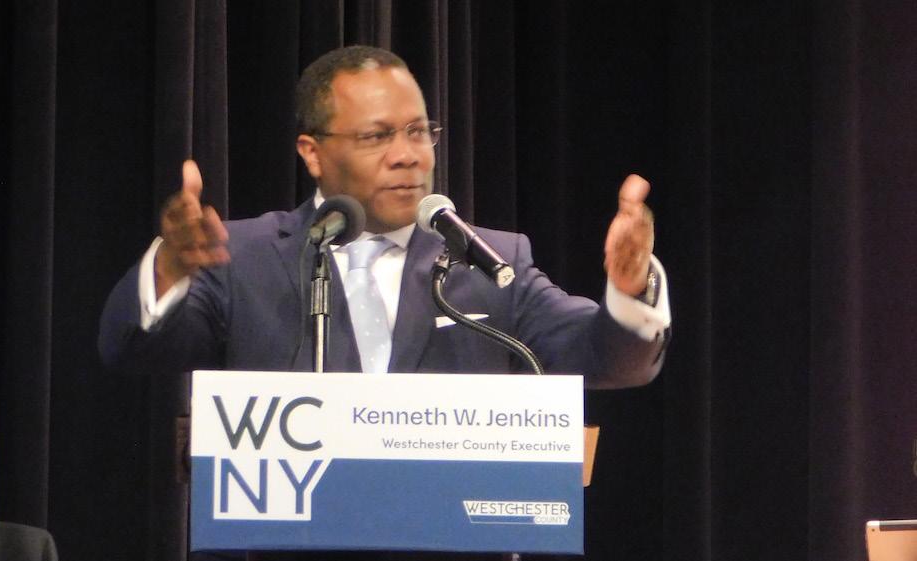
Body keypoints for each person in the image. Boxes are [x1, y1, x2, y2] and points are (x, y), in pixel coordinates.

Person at [98, 45, 671, 560]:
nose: (408, 156)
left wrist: (630, 287)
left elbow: (610, 357)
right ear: (313, 152)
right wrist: (169, 269)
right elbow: (130, 347)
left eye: (419, 132)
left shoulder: (489, 263)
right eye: (377, 137)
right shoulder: (244, 258)